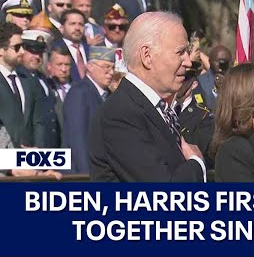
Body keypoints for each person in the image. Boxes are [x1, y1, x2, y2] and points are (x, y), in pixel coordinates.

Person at [88, 11, 206, 182]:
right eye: (180, 52)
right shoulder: (120, 114)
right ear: (147, 56)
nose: (188, 62)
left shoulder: (158, 108)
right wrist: (197, 163)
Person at [63, 46, 115, 174]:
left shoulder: (110, 96)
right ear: (90, 66)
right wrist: (86, 176)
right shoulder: (79, 93)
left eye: (113, 67)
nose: (111, 72)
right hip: (81, 173)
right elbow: (77, 140)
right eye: (106, 67)